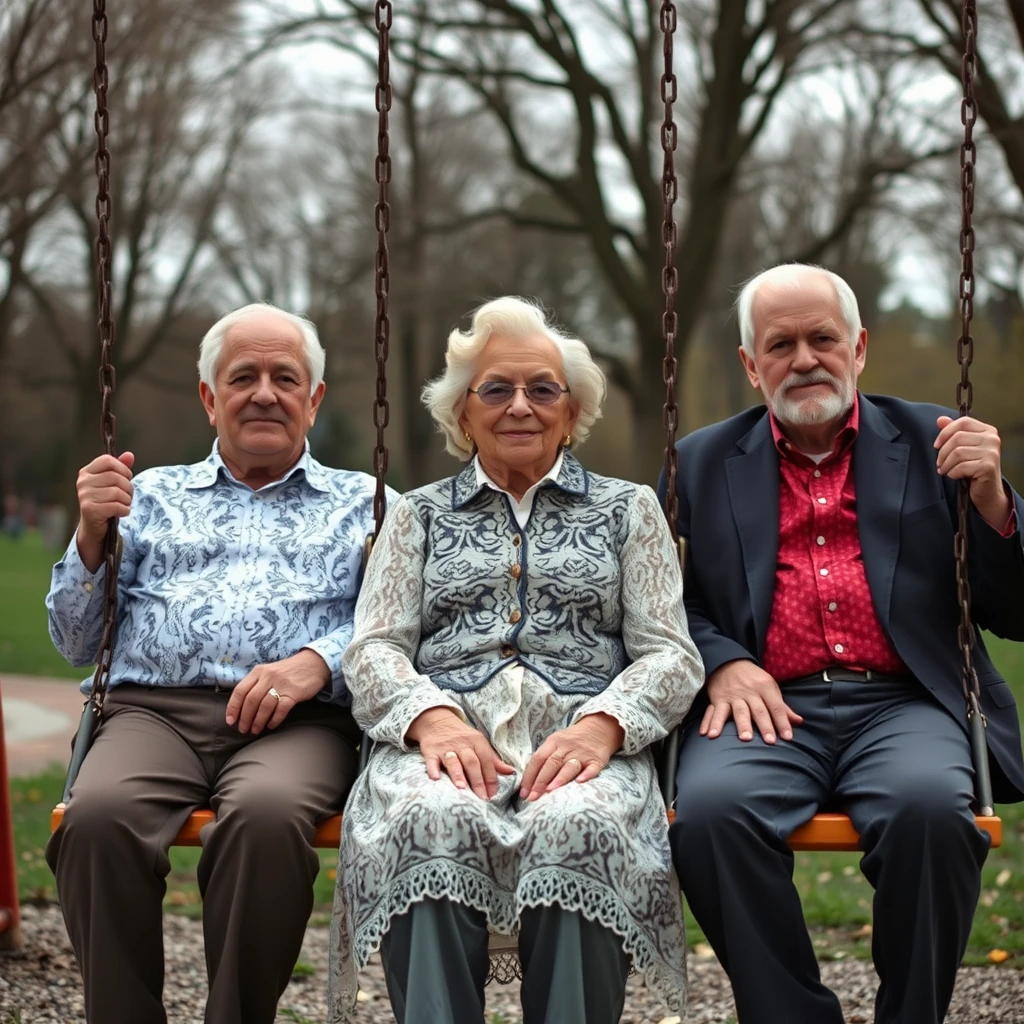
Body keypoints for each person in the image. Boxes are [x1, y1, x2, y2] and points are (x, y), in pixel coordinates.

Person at [660, 263, 1024, 1024]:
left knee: (930, 809)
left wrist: (992, 499)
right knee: (711, 814)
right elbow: (660, 605)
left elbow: (1011, 609)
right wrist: (722, 662)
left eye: (822, 339)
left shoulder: (936, 443)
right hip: (767, 706)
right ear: (750, 364)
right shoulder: (697, 462)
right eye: (780, 343)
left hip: (905, 702)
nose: (803, 359)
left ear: (858, 347)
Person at [327, 296, 703, 1024]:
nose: (520, 406)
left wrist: (603, 728)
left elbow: (670, 655)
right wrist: (429, 720)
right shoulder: (418, 515)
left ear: (572, 411)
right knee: (426, 817)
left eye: (542, 389)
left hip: (582, 741)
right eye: (496, 388)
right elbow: (372, 648)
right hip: (444, 742)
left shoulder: (628, 510)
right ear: (463, 412)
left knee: (582, 825)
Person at [45, 302, 394, 1024]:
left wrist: (315, 662)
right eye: (243, 377)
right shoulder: (145, 499)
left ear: (314, 398)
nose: (264, 392)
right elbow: (75, 642)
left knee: (264, 821)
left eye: (284, 377)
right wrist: (88, 536)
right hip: (153, 716)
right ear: (210, 398)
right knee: (96, 819)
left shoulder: (369, 506)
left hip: (299, 725)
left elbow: (402, 631)